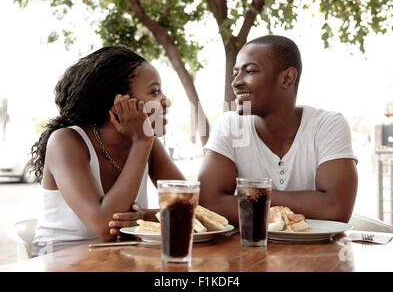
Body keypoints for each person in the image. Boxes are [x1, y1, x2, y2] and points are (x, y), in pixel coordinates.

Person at [30, 46, 184, 256]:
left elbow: (193, 207)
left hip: (120, 258)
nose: (166, 101)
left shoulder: (149, 143)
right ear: (118, 104)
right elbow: (105, 227)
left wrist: (144, 217)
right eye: (154, 92)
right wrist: (141, 142)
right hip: (63, 261)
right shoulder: (66, 141)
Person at [198, 35, 358, 226]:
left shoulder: (328, 125)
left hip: (318, 254)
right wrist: (311, 203)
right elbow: (208, 204)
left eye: (249, 71)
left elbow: (336, 209)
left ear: (287, 78)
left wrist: (249, 200)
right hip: (248, 252)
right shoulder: (229, 126)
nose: (236, 82)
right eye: (235, 73)